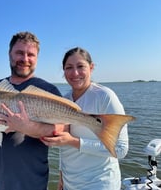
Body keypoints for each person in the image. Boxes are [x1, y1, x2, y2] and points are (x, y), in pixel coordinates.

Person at [0, 31, 64, 190]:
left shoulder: (48, 90)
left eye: (31, 54)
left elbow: (62, 129)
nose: (25, 59)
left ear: (37, 58)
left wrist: (27, 127)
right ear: (9, 54)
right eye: (19, 53)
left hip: (32, 185)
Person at [41, 47, 129, 190]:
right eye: (69, 67)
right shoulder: (64, 100)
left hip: (100, 183)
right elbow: (64, 147)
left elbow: (120, 149)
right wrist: (61, 176)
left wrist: (73, 141)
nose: (75, 73)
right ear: (63, 72)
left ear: (91, 67)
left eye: (80, 66)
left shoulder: (105, 97)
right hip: (69, 183)